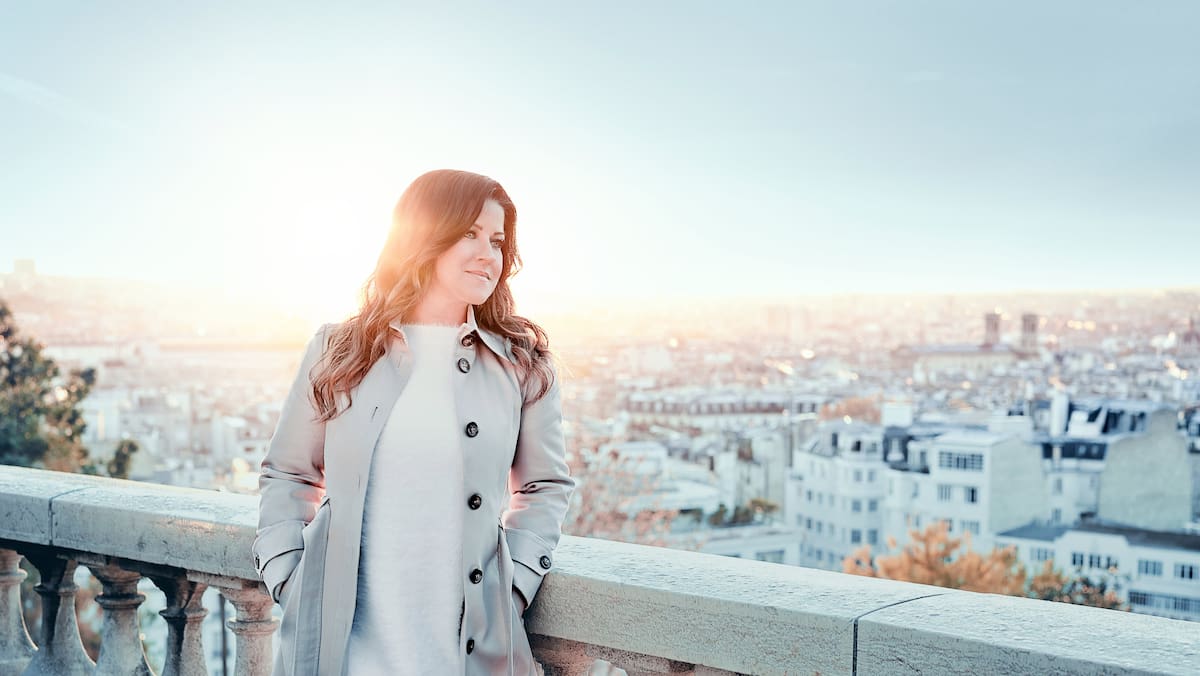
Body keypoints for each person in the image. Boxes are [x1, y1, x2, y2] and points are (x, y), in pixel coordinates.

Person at [252, 169, 576, 676]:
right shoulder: (339, 349)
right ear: (425, 237)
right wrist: (287, 576)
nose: (489, 253)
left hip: (469, 654)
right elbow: (289, 473)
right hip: (341, 653)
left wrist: (511, 593)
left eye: (497, 240)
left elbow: (544, 486)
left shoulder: (523, 364)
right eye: (469, 233)